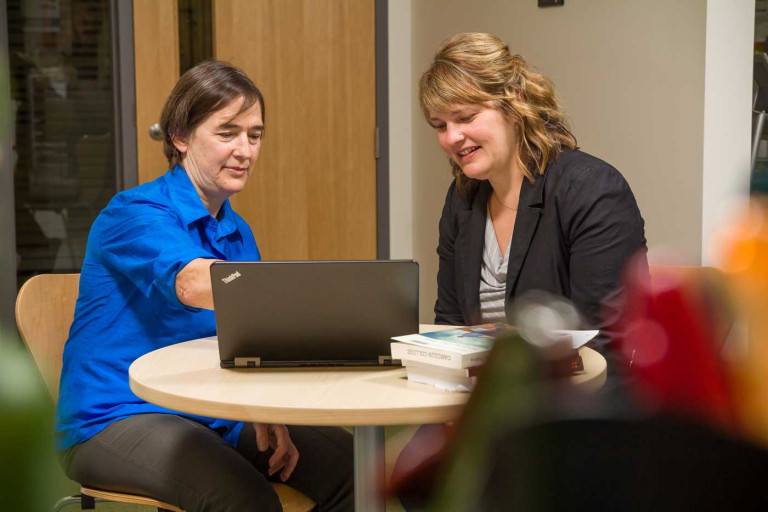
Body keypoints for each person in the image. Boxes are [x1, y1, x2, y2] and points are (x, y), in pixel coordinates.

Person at [55, 60, 353, 512]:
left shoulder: (237, 231)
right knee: (243, 498)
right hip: (115, 416)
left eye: (254, 135)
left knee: (355, 467)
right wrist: (306, 297)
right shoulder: (133, 212)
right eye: (227, 132)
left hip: (212, 412)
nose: (245, 150)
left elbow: (246, 337)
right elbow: (194, 284)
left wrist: (264, 413)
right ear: (180, 137)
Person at [392, 32, 648, 510]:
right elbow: (450, 322)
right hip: (487, 402)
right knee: (417, 482)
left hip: (575, 410)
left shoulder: (592, 190)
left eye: (466, 117)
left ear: (515, 103)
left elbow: (607, 345)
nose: (452, 137)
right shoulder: (463, 200)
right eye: (440, 124)